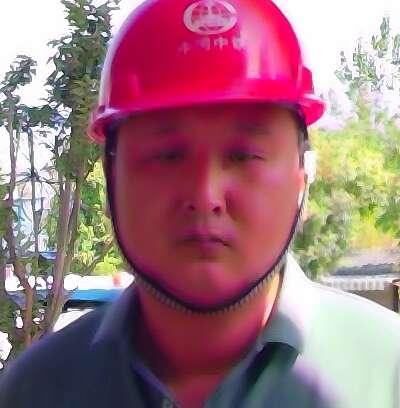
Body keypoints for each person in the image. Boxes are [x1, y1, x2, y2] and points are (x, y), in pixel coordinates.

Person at [1, 0, 400, 407]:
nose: (205, 197)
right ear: (111, 177)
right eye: (167, 156)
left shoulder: (388, 374)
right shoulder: (35, 390)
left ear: (301, 177)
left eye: (244, 155)